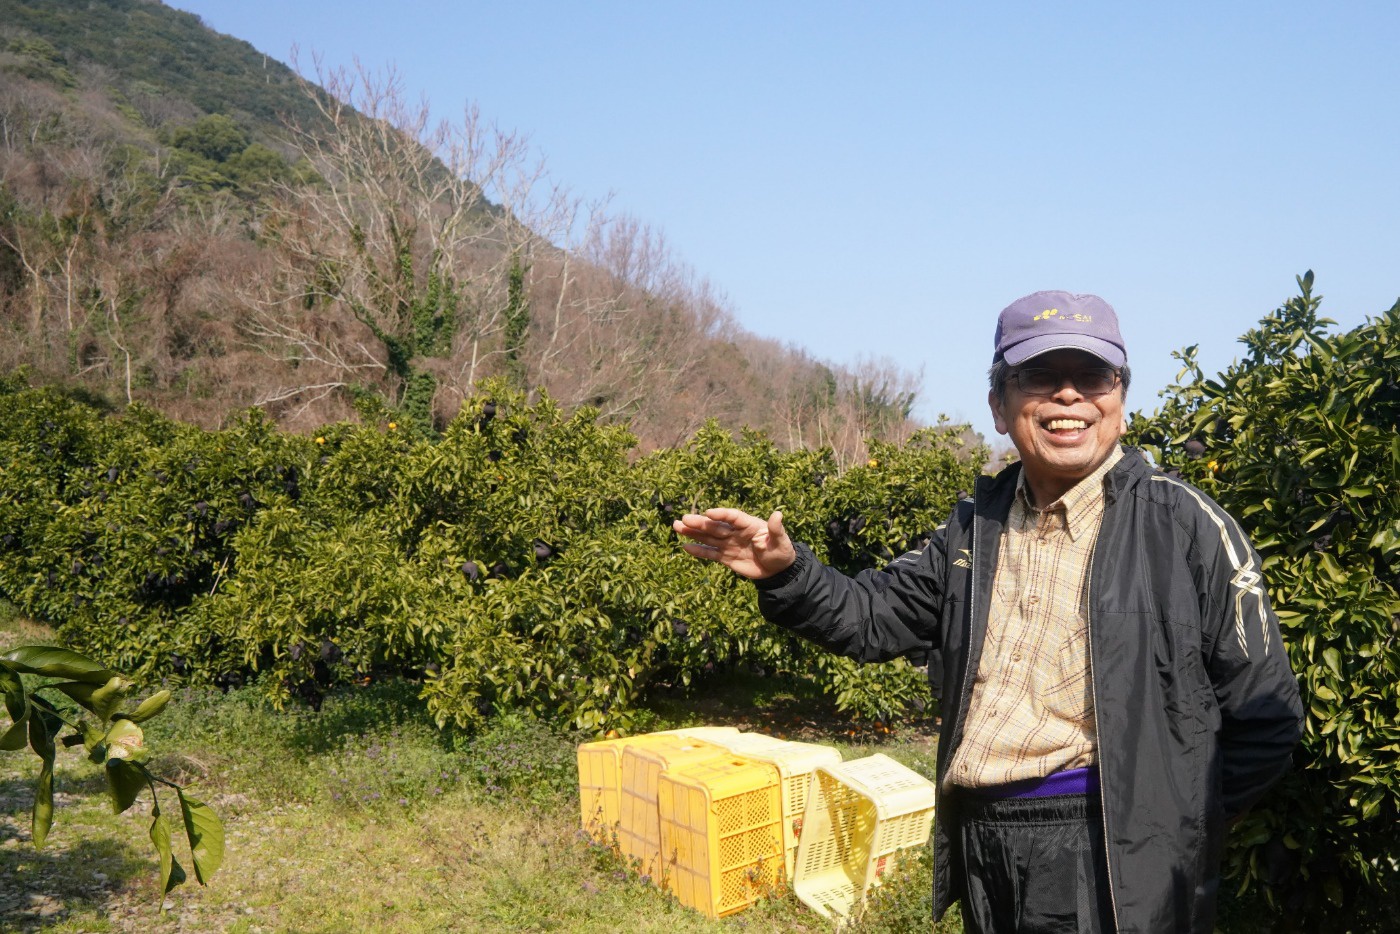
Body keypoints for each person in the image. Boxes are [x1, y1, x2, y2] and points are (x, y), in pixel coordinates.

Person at [673, 291, 1303, 934]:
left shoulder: (1185, 527)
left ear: (1118, 399)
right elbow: (871, 617)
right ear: (1001, 406)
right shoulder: (974, 530)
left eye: (1091, 377)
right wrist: (788, 572)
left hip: (1106, 852)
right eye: (1038, 377)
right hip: (985, 843)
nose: (1068, 397)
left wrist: (1171, 825)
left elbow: (1266, 714)